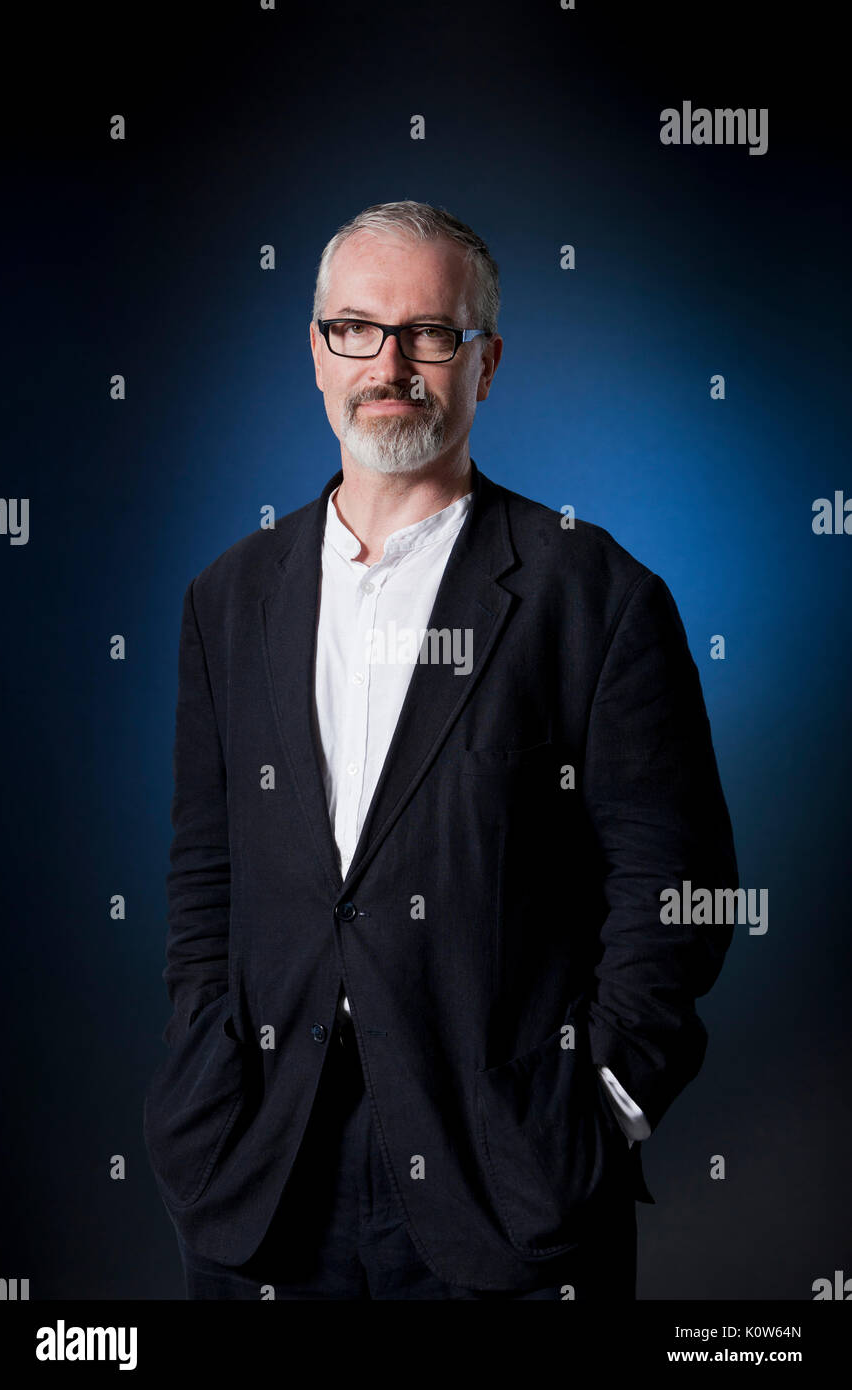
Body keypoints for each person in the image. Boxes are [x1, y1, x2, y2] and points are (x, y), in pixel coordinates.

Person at [143, 200, 738, 1300]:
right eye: (356, 328)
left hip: (506, 1179)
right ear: (315, 355)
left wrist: (600, 1106)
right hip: (261, 1175)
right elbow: (204, 876)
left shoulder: (594, 597)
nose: (391, 363)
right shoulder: (225, 599)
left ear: (486, 362)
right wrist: (200, 1081)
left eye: (430, 332)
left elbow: (681, 887)